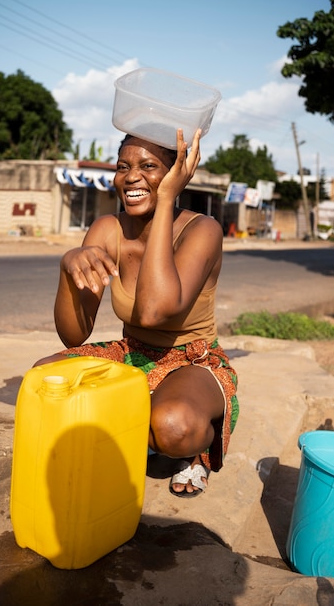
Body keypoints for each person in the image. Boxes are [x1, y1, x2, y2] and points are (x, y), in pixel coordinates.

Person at [35, 128, 239, 498]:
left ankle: (197, 450)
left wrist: (165, 203)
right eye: (123, 166)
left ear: (176, 174)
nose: (130, 177)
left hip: (192, 362)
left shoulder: (203, 230)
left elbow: (153, 311)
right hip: (132, 354)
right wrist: (69, 269)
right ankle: (136, 430)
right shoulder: (108, 228)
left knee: (174, 426)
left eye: (148, 166)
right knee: (44, 378)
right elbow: (73, 335)